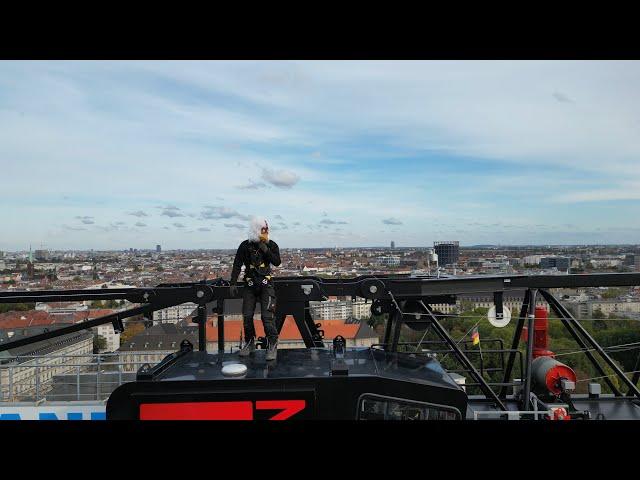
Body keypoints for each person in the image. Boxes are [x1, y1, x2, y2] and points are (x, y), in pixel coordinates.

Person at [229, 217, 281, 361]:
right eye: (263, 230)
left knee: (267, 317)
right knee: (247, 315)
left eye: (266, 230)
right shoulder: (245, 246)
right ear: (256, 231)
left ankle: (272, 344)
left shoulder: (271, 245)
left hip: (266, 283)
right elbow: (237, 265)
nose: (265, 233)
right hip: (250, 283)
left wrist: (266, 250)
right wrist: (232, 282)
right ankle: (250, 342)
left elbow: (277, 262)